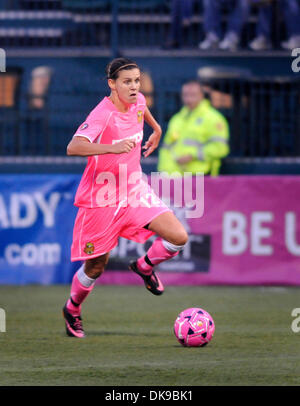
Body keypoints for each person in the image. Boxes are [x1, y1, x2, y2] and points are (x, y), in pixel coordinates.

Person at [63, 58, 188, 338]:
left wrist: (157, 130)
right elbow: (74, 147)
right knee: (96, 266)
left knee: (178, 237)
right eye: (127, 82)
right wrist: (112, 147)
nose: (134, 87)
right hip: (101, 198)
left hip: (133, 190)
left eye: (137, 81)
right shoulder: (102, 114)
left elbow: (143, 110)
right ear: (112, 84)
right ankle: (72, 308)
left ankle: (144, 267)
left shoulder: (139, 100)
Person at [158, 80, 229, 176]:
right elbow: (166, 149)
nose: (189, 99)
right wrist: (165, 172)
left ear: (201, 96)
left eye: (193, 95)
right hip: (176, 177)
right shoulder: (177, 119)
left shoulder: (213, 118)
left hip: (202, 176)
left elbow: (220, 148)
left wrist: (192, 155)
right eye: (185, 95)